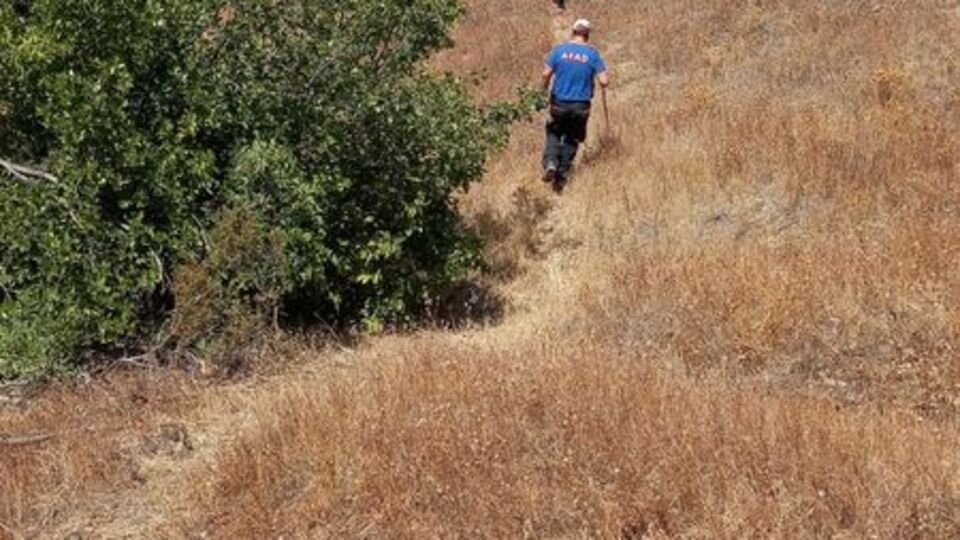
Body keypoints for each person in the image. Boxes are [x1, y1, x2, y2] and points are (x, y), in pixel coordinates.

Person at [541, 18, 610, 192]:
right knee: (572, 138)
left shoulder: (559, 51)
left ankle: (551, 163)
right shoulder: (592, 54)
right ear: (588, 35)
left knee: (554, 132)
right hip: (581, 106)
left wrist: (543, 90)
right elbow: (604, 81)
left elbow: (546, 74)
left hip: (559, 103)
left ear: (572, 32)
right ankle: (561, 175)